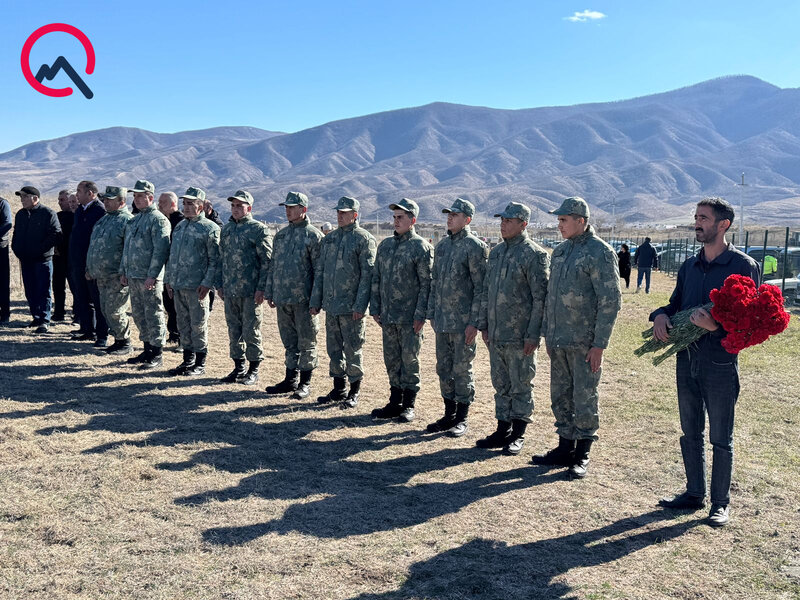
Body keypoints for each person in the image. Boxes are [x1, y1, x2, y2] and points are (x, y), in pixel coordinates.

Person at [652, 197, 760, 527]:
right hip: (686, 361)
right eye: (696, 216)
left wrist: (716, 327)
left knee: (720, 437)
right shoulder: (689, 266)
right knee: (690, 431)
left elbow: (751, 325)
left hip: (720, 364)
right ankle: (693, 493)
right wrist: (659, 316)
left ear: (723, 225)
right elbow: (674, 305)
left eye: (703, 218)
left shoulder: (743, 266)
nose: (697, 222)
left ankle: (720, 503)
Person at [533, 197, 621, 478]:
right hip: (559, 340)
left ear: (580, 221)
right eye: (558, 220)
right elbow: (550, 298)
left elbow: (610, 301)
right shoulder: (559, 253)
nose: (559, 225)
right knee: (561, 395)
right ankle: (564, 447)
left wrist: (599, 344)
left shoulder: (600, 253)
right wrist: (548, 333)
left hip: (584, 343)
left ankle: (582, 453)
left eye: (563, 220)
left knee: (584, 396)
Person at [476, 202, 549, 455]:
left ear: (523, 224)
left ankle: (518, 434)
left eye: (508, 220)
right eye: (501, 220)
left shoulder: (534, 255)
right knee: (501, 383)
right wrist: (484, 324)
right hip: (496, 334)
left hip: (520, 336)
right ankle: (501, 429)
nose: (503, 224)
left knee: (521, 384)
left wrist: (533, 334)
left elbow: (540, 299)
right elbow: (486, 291)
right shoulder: (496, 253)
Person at [426, 198, 488, 437]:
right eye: (448, 214)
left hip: (463, 324)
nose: (449, 218)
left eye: (455, 214)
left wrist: (475, 322)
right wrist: (431, 313)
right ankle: (448, 414)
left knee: (462, 370)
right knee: (444, 369)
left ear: (467, 219)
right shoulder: (442, 247)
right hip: (443, 321)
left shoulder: (474, 247)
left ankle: (462, 418)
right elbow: (435, 284)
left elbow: (480, 288)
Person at [370, 198, 433, 422]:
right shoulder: (385, 246)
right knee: (392, 360)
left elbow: (427, 284)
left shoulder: (421, 247)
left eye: (401, 217)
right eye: (394, 217)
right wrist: (375, 307)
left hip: (409, 317)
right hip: (388, 315)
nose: (396, 221)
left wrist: (420, 315)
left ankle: (409, 405)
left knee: (410, 360)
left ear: (412, 220)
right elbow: (376, 278)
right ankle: (394, 402)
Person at [310, 196, 376, 408]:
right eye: (338, 212)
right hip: (332, 306)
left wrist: (360, 305)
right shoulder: (329, 239)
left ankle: (354, 391)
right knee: (334, 349)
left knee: (353, 348)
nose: (339, 215)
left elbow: (368, 275)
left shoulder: (364, 239)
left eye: (344, 212)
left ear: (354, 215)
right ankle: (339, 388)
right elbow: (320, 272)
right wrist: (316, 300)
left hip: (351, 308)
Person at [264, 192, 323, 399]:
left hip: (304, 300)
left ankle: (305, 383)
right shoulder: (281, 235)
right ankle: (290, 380)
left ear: (303, 210)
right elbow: (273, 267)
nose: (288, 211)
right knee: (289, 342)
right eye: (286, 207)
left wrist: (316, 299)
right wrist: (270, 291)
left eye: (292, 207)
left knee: (307, 343)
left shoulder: (314, 236)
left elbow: (319, 271)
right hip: (283, 298)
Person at [164, 187, 221, 377]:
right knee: (183, 324)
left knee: (198, 325)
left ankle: (200, 363)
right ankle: (187, 361)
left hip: (198, 287)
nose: (186, 207)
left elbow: (215, 260)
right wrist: (169, 280)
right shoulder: (180, 226)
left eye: (191, 204)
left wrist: (207, 283)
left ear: (202, 206)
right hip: (179, 285)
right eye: (185, 204)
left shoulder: (210, 229)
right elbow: (172, 256)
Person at [218, 190, 272, 385]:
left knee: (251, 330)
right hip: (231, 290)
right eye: (233, 205)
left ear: (249, 208)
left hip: (250, 291)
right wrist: (220, 284)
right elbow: (220, 259)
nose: (235, 209)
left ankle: (253, 369)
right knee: (234, 330)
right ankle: (238, 367)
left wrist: (262, 287)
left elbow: (266, 261)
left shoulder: (258, 230)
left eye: (239, 206)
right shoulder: (227, 230)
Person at [120, 180, 171, 369]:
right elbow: (127, 249)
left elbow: (160, 251)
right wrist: (124, 271)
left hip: (149, 277)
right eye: (135, 196)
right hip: (134, 275)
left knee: (154, 313)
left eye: (140, 196)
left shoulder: (158, 220)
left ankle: (157, 353)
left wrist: (154, 275)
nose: (137, 199)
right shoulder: (135, 220)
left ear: (150, 197)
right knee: (140, 314)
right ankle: (147, 348)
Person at [86, 186, 133, 354]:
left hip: (116, 276)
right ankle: (118, 340)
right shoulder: (104, 220)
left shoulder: (128, 221)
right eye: (104, 199)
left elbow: (129, 250)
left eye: (109, 200)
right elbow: (93, 247)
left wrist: (124, 272)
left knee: (116, 310)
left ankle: (125, 342)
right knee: (105, 309)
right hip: (101, 275)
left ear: (121, 201)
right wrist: (89, 267)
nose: (105, 202)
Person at [10, 186, 61, 333]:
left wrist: (39, 250)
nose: (22, 200)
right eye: (21, 197)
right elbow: (16, 234)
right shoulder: (20, 214)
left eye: (25, 197)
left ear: (35, 198)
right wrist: (17, 249)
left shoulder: (48, 213)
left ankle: (45, 320)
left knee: (43, 290)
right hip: (25, 260)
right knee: (30, 290)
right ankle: (36, 317)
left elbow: (56, 235)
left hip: (42, 260)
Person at [70, 181, 109, 346]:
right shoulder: (80, 210)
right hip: (78, 263)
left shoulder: (100, 211)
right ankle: (87, 330)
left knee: (97, 300)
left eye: (79, 191)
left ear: (91, 193)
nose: (76, 194)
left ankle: (102, 335)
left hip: (93, 263)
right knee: (82, 298)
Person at [158, 192, 184, 345]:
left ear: (173, 204)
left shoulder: (179, 222)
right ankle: (173, 333)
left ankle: (181, 336)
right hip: (165, 270)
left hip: (177, 271)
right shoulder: (164, 220)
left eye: (163, 202)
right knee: (168, 305)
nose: (160, 204)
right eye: (159, 201)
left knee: (176, 307)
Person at [52, 190, 74, 321]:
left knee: (75, 288)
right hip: (58, 257)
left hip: (72, 258)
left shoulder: (77, 216)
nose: (59, 202)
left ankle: (78, 314)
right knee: (58, 286)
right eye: (59, 199)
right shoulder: (57, 216)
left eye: (62, 200)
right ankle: (59, 312)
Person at [0, 195, 12, 324]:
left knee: (2, 282)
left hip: (0, 248)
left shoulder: (2, 203)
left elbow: (7, 223)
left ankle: (4, 314)